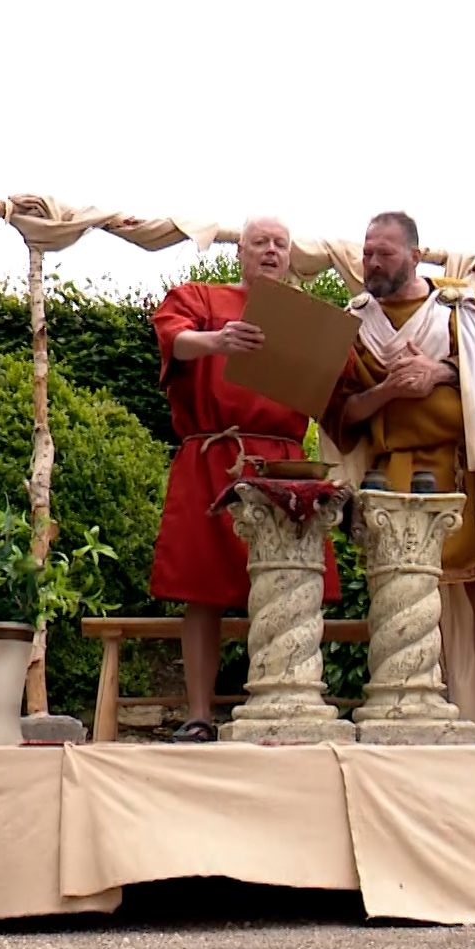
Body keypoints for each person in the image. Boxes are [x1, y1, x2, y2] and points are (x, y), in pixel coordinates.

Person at [322, 211, 475, 741]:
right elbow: (341, 414)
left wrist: (440, 371)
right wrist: (390, 390)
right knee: (401, 599)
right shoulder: (354, 325)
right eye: (367, 253)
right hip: (391, 478)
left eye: (384, 253)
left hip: (457, 475)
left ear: (414, 255)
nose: (372, 262)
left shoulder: (457, 312)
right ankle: (410, 710)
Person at [150, 216, 341, 743]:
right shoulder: (201, 296)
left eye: (281, 244)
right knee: (201, 591)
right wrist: (218, 341)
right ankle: (199, 715)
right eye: (260, 243)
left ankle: (287, 704)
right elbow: (174, 339)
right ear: (241, 252)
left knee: (290, 583)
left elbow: (333, 387)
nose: (271, 251)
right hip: (213, 455)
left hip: (282, 463)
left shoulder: (304, 317)